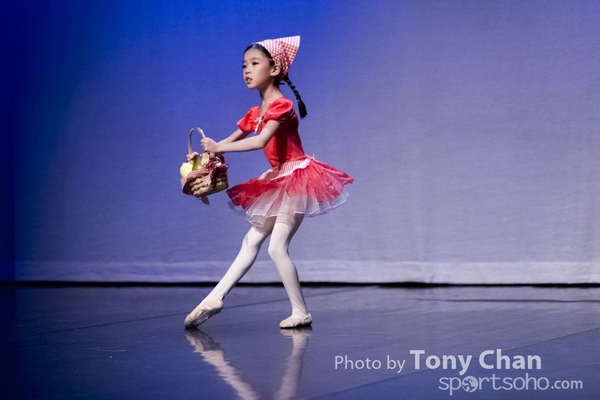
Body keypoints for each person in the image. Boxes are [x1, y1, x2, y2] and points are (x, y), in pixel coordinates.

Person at [184, 35, 353, 329]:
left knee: (276, 247)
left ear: (274, 69)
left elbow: (259, 140)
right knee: (250, 241)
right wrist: (204, 158)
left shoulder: (282, 106)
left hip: (297, 177)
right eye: (244, 65)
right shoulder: (254, 113)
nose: (247, 70)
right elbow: (225, 144)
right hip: (278, 180)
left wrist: (218, 147)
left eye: (254, 63)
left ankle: (301, 312)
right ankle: (214, 298)